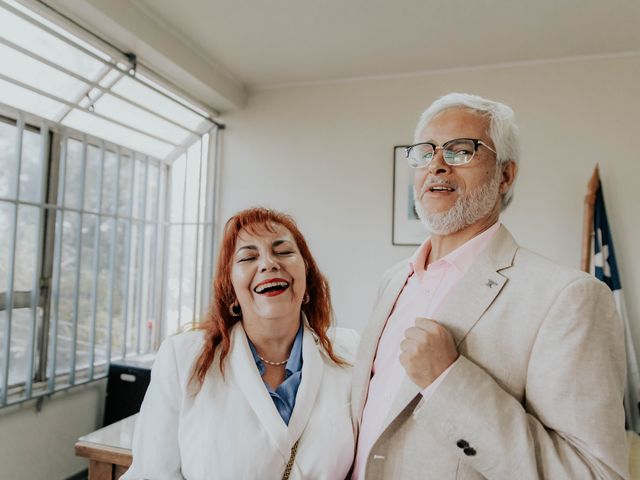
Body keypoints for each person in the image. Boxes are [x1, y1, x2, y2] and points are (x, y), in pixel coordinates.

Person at [351, 93, 629, 479]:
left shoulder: (569, 297)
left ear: (505, 175)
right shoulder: (393, 281)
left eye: (461, 150)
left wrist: (448, 382)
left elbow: (593, 474)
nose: (438, 165)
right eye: (426, 152)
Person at [121, 208, 359, 480]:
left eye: (284, 252)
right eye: (248, 257)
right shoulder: (182, 357)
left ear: (307, 275)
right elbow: (153, 473)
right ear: (230, 288)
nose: (269, 264)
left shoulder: (350, 351)